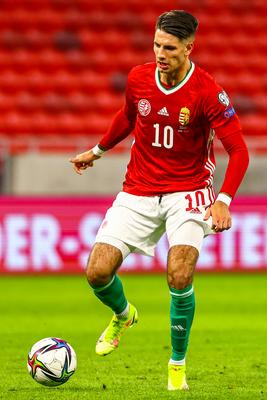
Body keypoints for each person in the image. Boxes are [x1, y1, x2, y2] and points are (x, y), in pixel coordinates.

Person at [70, 10, 249, 391]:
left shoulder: (207, 91)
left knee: (179, 273)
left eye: (169, 48)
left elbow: (239, 151)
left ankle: (176, 366)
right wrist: (97, 151)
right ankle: (124, 314)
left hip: (189, 191)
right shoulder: (138, 78)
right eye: (156, 45)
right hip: (138, 189)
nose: (160, 54)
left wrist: (225, 200)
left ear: (189, 47)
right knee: (97, 273)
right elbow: (128, 116)